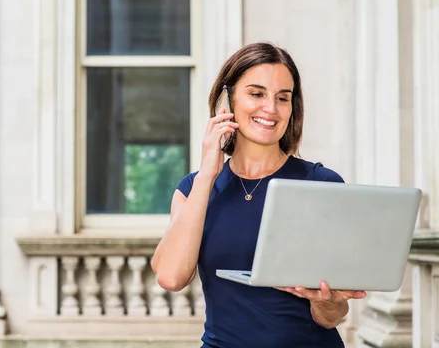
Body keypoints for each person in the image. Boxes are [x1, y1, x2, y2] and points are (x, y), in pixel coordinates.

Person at [151, 42, 367, 347]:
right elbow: (171, 278)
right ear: (229, 99)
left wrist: (325, 302)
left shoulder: (322, 184)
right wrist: (207, 174)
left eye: (283, 98)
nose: (271, 108)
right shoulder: (193, 189)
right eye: (256, 94)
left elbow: (332, 316)